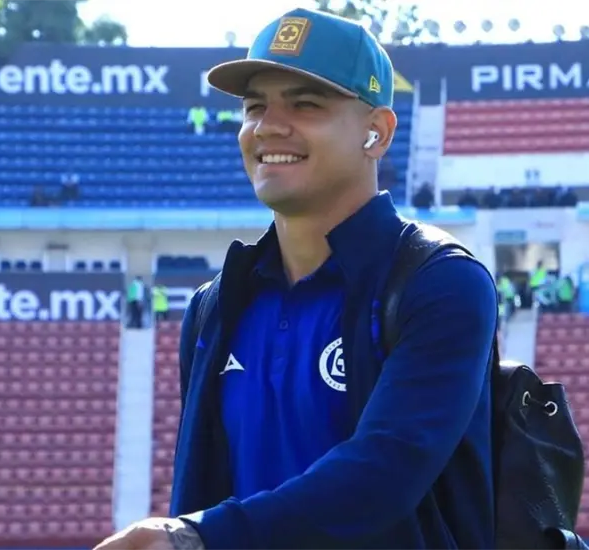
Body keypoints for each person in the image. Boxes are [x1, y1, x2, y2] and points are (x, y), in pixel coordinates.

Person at [94, 7, 496, 550]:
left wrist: (197, 537)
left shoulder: (442, 281)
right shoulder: (214, 305)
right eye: (255, 106)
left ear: (376, 132)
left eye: (305, 104)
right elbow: (201, 487)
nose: (268, 125)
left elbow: (385, 473)